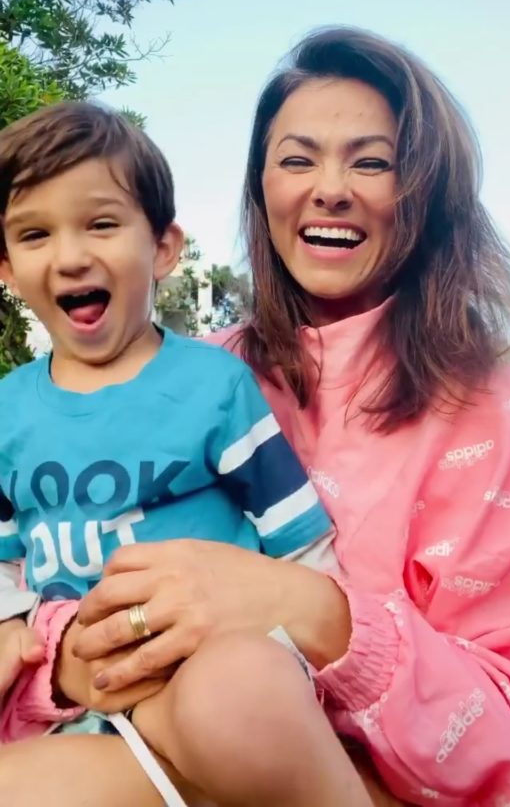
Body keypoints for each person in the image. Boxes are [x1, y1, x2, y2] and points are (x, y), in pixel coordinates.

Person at [1, 25, 510, 806]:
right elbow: (35, 577)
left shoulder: (504, 416)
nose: (329, 188)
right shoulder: (189, 373)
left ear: (428, 190)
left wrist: (308, 610)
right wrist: (68, 655)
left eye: (371, 161)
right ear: (261, 188)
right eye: (297, 159)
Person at [0, 101, 379, 807]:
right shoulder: (6, 410)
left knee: (236, 696)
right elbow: (8, 565)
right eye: (35, 234)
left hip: (216, 675)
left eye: (102, 224)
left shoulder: (213, 386)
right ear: (7, 267)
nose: (72, 254)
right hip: (90, 715)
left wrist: (318, 687)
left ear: (165, 248)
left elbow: (299, 542)